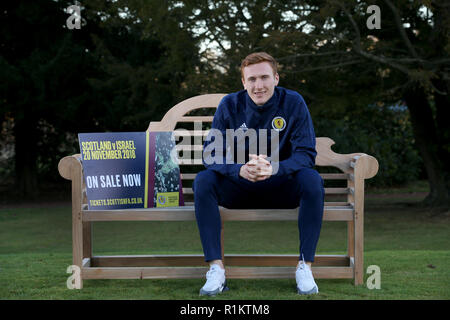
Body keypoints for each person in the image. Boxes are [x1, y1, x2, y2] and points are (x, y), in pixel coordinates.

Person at [193, 52, 324, 296]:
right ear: (243, 82)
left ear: (276, 78)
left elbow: (306, 153)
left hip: (281, 187)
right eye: (252, 79)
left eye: (264, 77)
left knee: (312, 180)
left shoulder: (293, 102)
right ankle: (216, 270)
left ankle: (305, 266)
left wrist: (274, 167)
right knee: (203, 181)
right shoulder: (229, 105)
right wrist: (239, 169)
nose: (259, 85)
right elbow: (211, 155)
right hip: (239, 188)